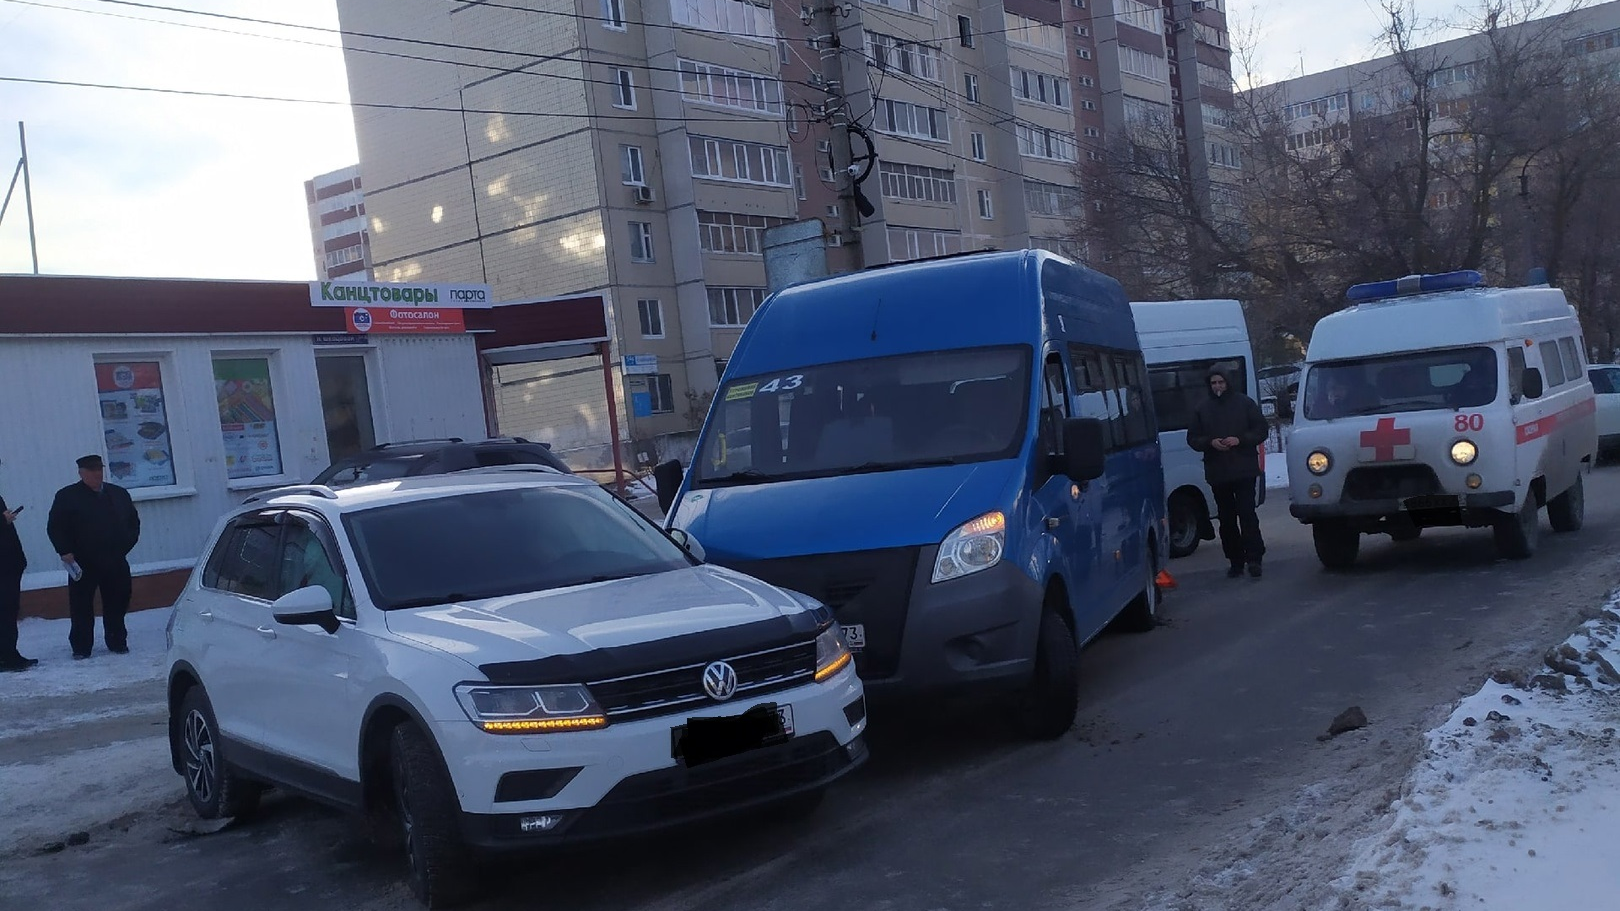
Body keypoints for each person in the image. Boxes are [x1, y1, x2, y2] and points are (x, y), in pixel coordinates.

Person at [46, 454, 141, 659]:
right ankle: (81, 647)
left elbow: (133, 523)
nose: (97, 474)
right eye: (91, 471)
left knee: (118, 601)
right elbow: (55, 526)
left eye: (99, 469)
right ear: (81, 473)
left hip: (115, 559)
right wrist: (64, 550)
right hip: (82, 561)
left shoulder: (118, 493)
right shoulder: (67, 496)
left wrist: (124, 546)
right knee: (81, 606)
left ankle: (117, 641)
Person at [1187, 363, 1269, 579]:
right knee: (1227, 519)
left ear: (1228, 382)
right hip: (1219, 473)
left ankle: (1254, 558)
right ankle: (1235, 560)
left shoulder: (1244, 403)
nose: (1217, 386)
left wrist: (1240, 439)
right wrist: (1210, 442)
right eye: (1213, 383)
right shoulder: (1202, 408)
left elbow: (1261, 430)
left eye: (1220, 382)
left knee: (1247, 515)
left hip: (1244, 470)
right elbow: (1192, 438)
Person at [1, 468, 37, 671]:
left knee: (8, 612)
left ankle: (10, 654)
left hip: (9, 565)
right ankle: (6, 658)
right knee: (4, 612)